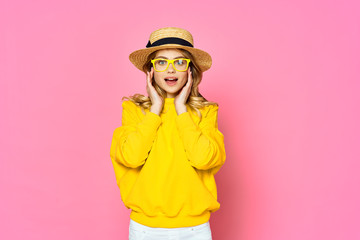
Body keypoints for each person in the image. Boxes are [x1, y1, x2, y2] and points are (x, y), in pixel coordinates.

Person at [110, 27, 226, 240]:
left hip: (195, 229)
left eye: (180, 62)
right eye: (161, 62)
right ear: (150, 70)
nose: (170, 69)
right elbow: (131, 157)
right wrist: (155, 109)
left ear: (190, 70)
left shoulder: (205, 112)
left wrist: (182, 110)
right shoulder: (135, 109)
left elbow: (203, 160)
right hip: (145, 229)